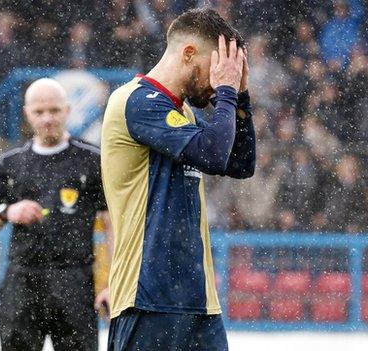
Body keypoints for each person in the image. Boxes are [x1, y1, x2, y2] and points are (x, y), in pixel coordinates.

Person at [101, 8, 255, 350]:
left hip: (198, 300)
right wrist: (227, 93)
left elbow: (240, 164)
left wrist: (240, 97)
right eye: (214, 68)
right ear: (188, 53)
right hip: (148, 297)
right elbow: (212, 154)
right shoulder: (135, 100)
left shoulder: (181, 113)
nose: (217, 80)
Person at [0, 78, 111, 351]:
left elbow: (112, 225)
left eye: (54, 110)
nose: (47, 118)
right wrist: (7, 211)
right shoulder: (10, 165)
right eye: (39, 112)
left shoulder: (93, 162)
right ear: (27, 114)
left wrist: (112, 283)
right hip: (22, 281)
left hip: (74, 280)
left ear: (67, 110)